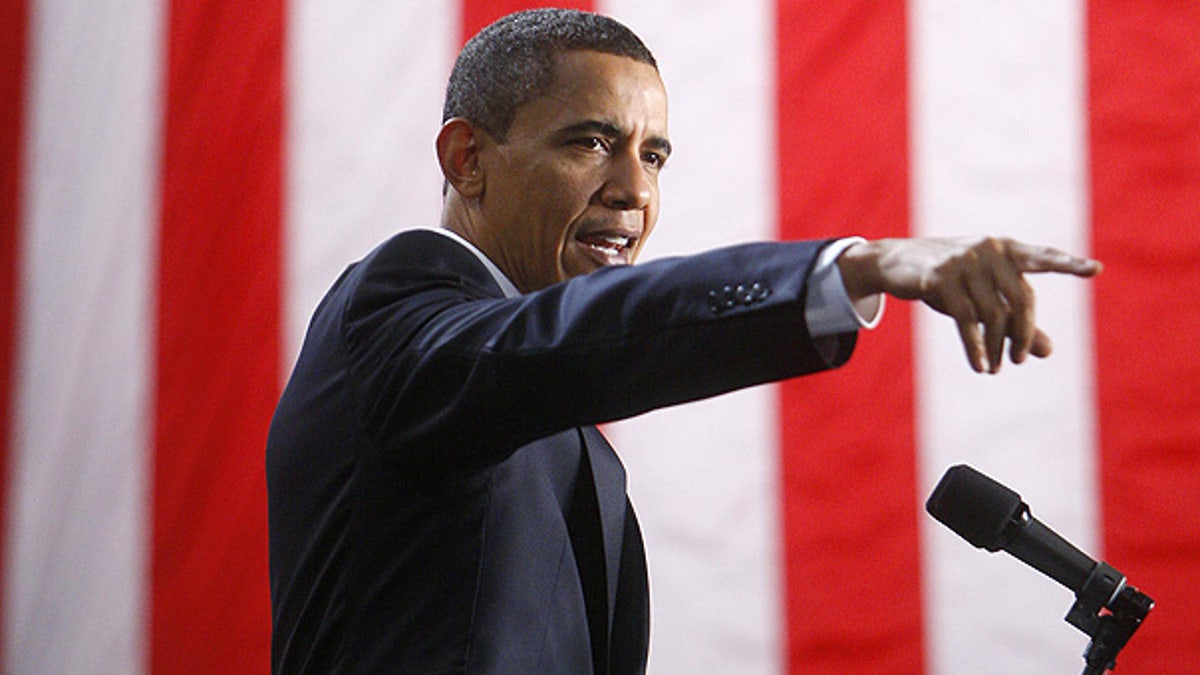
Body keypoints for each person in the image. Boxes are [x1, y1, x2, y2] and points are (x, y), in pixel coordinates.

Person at [266, 8, 1100, 674]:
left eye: (654, 154)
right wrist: (859, 266)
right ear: (467, 158)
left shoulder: (562, 428)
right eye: (590, 142)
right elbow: (560, 338)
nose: (634, 190)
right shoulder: (396, 309)